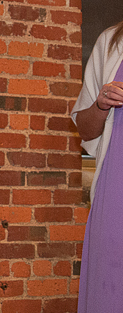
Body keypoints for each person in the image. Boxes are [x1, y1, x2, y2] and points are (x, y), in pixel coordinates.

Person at [72, 21, 123, 312]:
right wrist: (101, 104)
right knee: (111, 288)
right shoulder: (111, 41)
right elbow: (86, 131)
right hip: (116, 189)